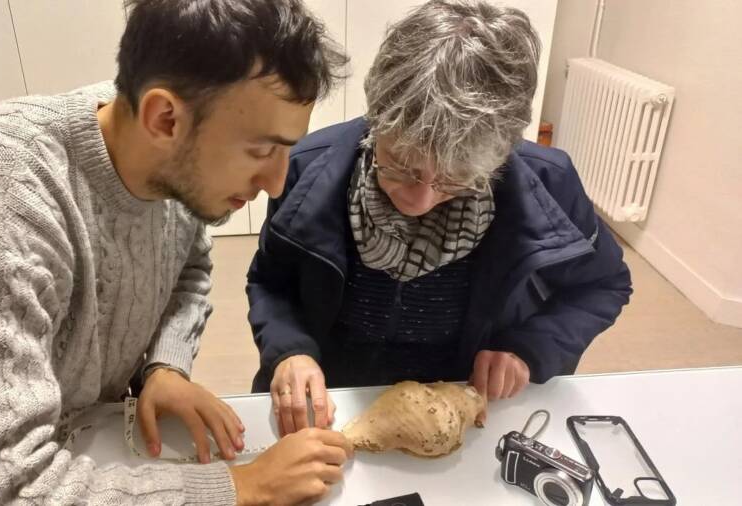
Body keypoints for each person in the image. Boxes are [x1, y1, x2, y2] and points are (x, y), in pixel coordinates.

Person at [0, 0, 352, 504]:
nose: (278, 183)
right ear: (164, 118)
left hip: (88, 434)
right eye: (261, 150)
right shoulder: (3, 200)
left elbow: (189, 264)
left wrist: (163, 367)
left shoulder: (169, 159)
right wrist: (236, 487)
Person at [246, 0, 633, 436]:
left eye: (455, 178)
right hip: (333, 398)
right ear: (378, 119)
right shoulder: (306, 169)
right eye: (400, 165)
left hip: (465, 401)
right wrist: (289, 351)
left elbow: (603, 284)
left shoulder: (550, 184)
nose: (419, 199)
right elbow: (270, 282)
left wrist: (528, 350)